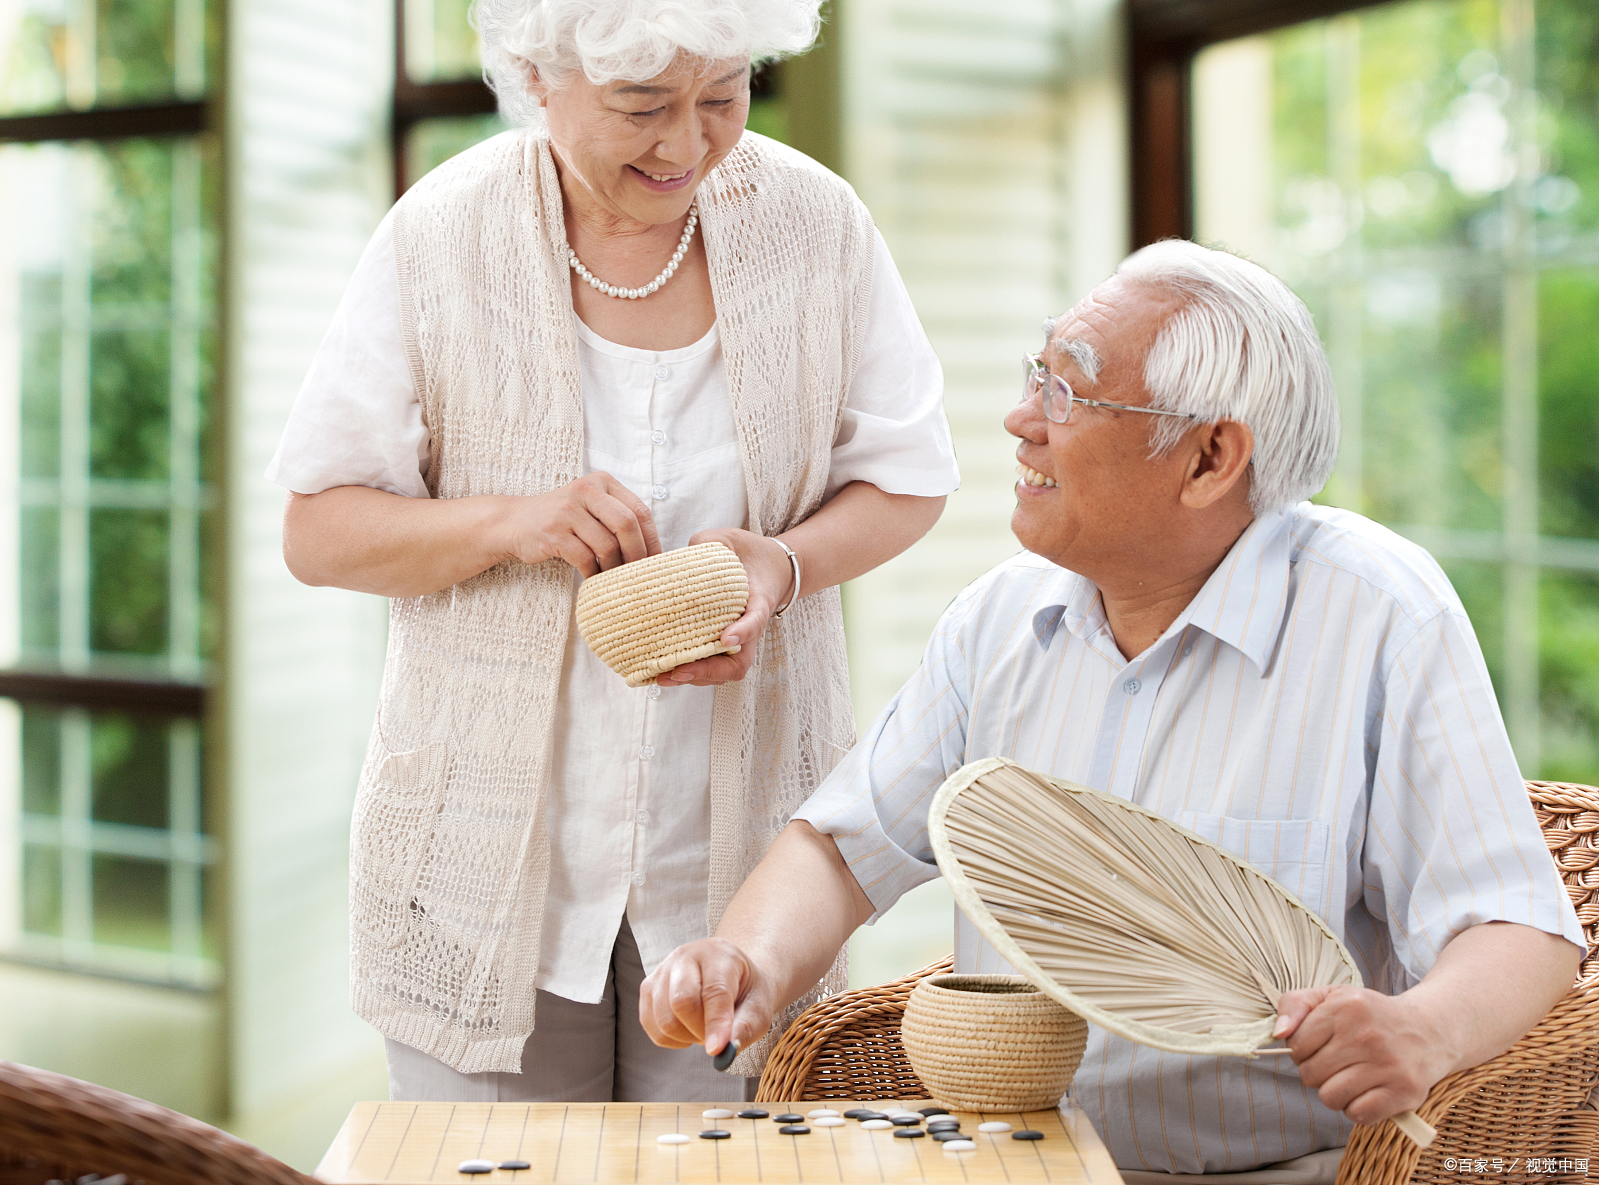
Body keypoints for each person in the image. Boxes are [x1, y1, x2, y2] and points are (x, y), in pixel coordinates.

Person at [639, 240, 1583, 1179]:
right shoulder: (1002, 615)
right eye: (1034, 377)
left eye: (1067, 394)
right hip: (1019, 1162)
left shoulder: (1381, 614)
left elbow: (1518, 929)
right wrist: (746, 961)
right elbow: (843, 848)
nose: (1019, 421)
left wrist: (1423, 1028)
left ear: (1211, 456)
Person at [267, 0, 959, 1101]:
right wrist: (514, 522)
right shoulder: (439, 236)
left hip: (738, 873)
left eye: (725, 93)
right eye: (642, 100)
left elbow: (906, 478)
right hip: (482, 867)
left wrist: (783, 562)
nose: (687, 142)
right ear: (534, 77)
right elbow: (320, 532)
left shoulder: (815, 226)